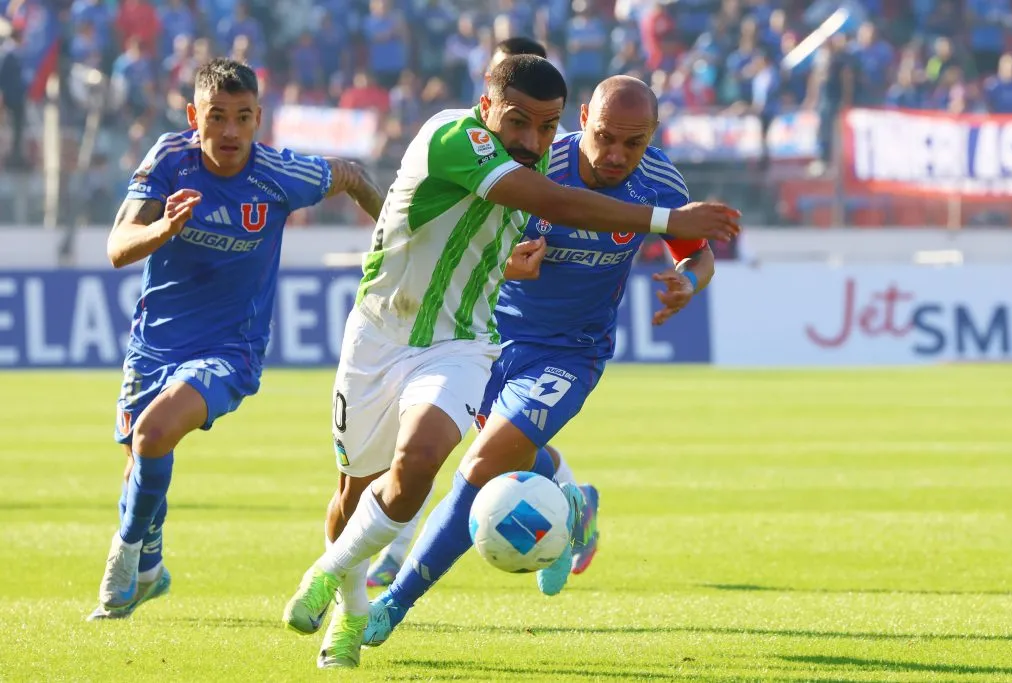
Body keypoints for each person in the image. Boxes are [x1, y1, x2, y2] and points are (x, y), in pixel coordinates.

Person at [281, 55, 739, 669]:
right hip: (494, 331)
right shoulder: (534, 158)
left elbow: (694, 252)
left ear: (652, 139)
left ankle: (391, 604)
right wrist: (513, 262)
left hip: (566, 352)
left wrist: (690, 279)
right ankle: (570, 498)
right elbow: (525, 212)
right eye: (604, 136)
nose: (616, 154)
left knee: (478, 460)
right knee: (391, 479)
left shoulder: (658, 180)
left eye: (635, 142)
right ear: (584, 119)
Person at [87, 58, 383, 621]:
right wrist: (163, 229)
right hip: (154, 345)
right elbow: (118, 246)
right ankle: (150, 565)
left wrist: (401, 238)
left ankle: (121, 562)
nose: (229, 131)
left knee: (152, 435)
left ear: (258, 120)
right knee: (141, 466)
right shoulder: (170, 159)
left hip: (229, 351)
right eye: (217, 117)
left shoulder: (279, 174)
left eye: (242, 118)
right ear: (193, 116)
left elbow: (347, 174)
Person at [365, 36, 570, 589]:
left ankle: (565, 505)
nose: (528, 136)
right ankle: (570, 498)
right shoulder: (462, 140)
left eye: (542, 123)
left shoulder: (547, 152)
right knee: (477, 434)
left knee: (459, 440)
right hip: (444, 319)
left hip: (482, 329)